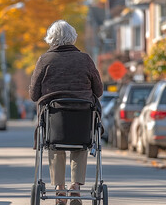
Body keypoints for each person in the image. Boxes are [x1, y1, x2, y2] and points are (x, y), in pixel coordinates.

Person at [29, 20, 103, 205]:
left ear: (50, 38)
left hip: (55, 117)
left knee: (55, 145)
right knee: (82, 144)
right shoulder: (85, 59)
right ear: (73, 38)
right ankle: (75, 188)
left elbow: (33, 94)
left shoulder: (45, 60)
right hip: (82, 116)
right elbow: (99, 91)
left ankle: (60, 189)